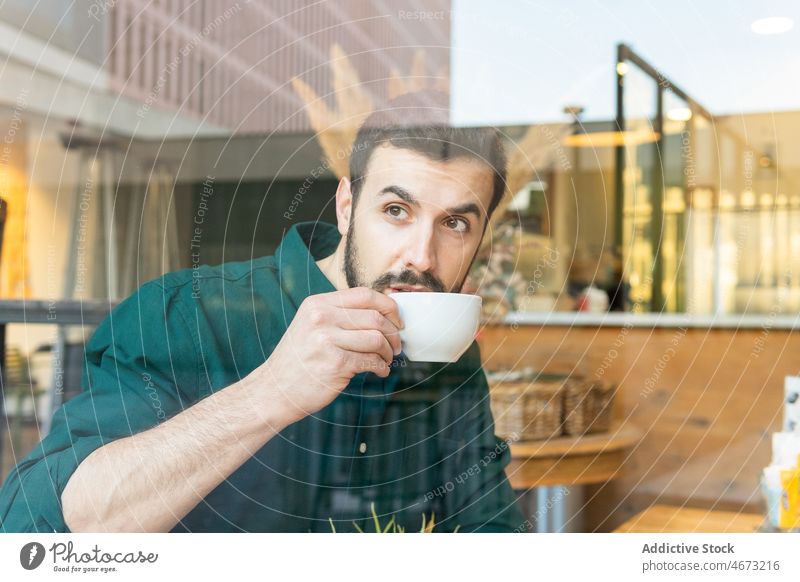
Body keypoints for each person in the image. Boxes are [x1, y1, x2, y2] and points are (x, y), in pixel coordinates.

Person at [0, 92, 524, 533]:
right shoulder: (186, 316)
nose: (422, 256)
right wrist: (273, 389)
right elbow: (36, 527)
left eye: (455, 223)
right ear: (347, 206)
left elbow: (489, 529)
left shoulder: (450, 357)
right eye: (395, 211)